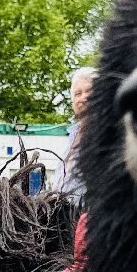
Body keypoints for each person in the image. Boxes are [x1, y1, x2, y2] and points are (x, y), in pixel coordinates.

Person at [57, 66, 95, 199]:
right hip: (64, 217)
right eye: (78, 94)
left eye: (89, 91)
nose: (83, 97)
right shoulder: (71, 136)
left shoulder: (109, 134)